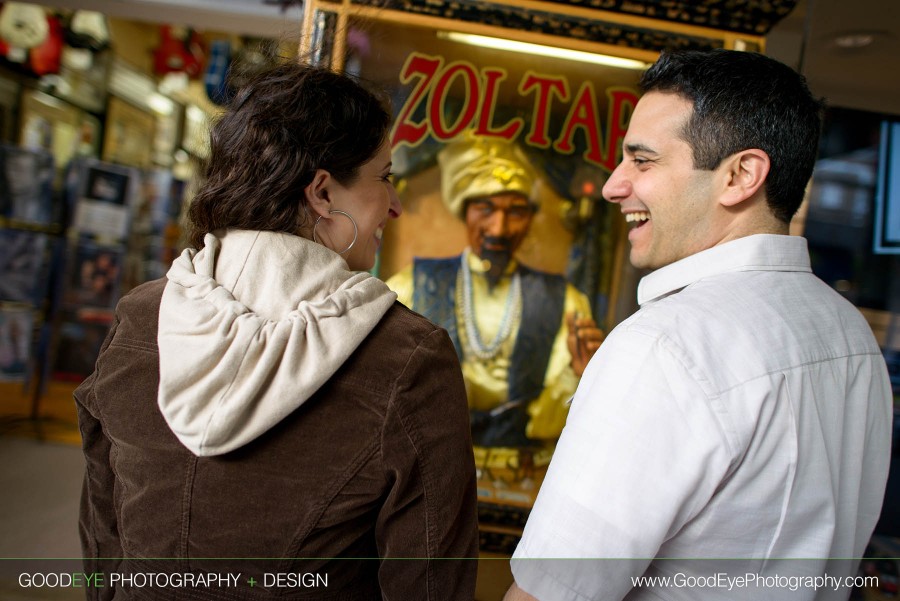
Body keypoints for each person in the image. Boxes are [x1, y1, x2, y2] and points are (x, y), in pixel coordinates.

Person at [75, 61, 479, 600]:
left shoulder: (140, 317)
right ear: (322, 193)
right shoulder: (408, 358)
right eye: (385, 177)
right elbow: (430, 583)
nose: (397, 204)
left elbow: (103, 539)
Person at [505, 49, 893, 601]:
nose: (614, 185)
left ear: (740, 175)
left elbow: (556, 592)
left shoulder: (665, 344)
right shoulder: (851, 335)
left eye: (642, 161)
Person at [386, 133, 604, 469]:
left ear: (530, 219)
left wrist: (582, 376)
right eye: (485, 209)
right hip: (427, 462)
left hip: (524, 469)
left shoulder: (566, 301)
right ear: (465, 211)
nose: (499, 228)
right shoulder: (412, 286)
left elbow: (564, 410)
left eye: (515, 212)